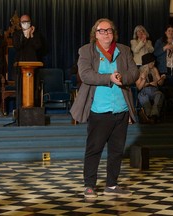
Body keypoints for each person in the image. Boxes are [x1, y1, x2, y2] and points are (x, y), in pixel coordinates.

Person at [70, 18, 139, 198]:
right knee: (94, 149)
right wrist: (109, 77)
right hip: (99, 109)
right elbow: (85, 75)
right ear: (95, 33)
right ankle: (90, 185)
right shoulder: (86, 50)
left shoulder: (123, 50)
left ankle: (112, 185)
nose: (106, 33)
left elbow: (134, 72)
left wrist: (122, 77)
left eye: (109, 30)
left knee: (117, 150)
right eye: (102, 30)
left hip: (121, 109)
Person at [136, 53, 166, 123]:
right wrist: (144, 80)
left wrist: (162, 79)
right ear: (147, 63)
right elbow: (139, 87)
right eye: (152, 62)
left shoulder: (154, 69)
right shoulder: (140, 71)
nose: (153, 63)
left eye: (154, 62)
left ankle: (152, 115)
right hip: (144, 90)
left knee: (159, 95)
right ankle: (151, 116)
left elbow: (159, 83)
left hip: (154, 90)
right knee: (142, 96)